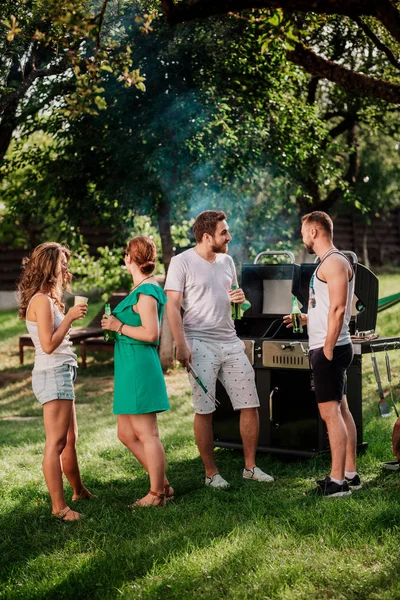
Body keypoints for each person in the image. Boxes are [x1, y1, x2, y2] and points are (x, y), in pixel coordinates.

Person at [165, 210, 273, 488]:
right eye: (224, 232)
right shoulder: (181, 262)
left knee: (250, 403)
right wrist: (181, 344)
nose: (229, 236)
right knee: (205, 410)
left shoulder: (227, 261)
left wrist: (240, 299)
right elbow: (172, 308)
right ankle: (211, 473)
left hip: (230, 341)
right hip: (199, 343)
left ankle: (250, 467)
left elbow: (236, 301)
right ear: (206, 236)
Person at [284, 211, 360, 497]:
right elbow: (325, 305)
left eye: (304, 231)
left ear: (314, 232)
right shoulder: (326, 263)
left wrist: (327, 347)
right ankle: (349, 474)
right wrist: (306, 318)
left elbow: (340, 308)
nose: (302, 236)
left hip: (331, 348)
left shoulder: (336, 261)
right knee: (341, 409)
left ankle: (337, 482)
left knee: (330, 414)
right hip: (328, 345)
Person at [18, 242, 93, 521]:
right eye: (62, 261)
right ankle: (59, 508)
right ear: (49, 265)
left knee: (70, 439)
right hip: (52, 371)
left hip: (62, 370)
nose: (65, 267)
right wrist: (70, 317)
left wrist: (69, 318)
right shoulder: (41, 301)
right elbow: (48, 345)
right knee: (56, 443)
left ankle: (79, 491)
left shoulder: (46, 299)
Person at [101, 236, 172, 507]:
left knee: (147, 434)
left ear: (129, 258)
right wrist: (114, 326)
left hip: (140, 368)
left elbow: (151, 333)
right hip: (128, 369)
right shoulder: (139, 289)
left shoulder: (146, 292)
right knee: (126, 434)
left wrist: (118, 327)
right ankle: (163, 483)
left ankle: (156, 495)